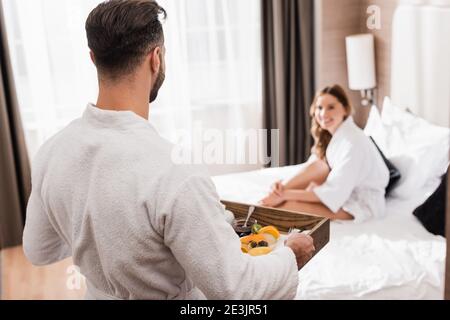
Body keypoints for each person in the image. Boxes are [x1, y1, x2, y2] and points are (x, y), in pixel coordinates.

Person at [23, 0, 314, 300]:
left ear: (93, 57)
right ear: (156, 57)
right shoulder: (174, 172)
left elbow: (38, 250)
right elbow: (236, 290)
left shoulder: (51, 152)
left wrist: (95, 232)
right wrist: (290, 255)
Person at [260, 85, 389, 223]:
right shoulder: (334, 136)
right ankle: (273, 195)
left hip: (361, 203)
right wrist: (282, 186)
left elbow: (335, 192)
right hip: (342, 191)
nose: (323, 114)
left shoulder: (353, 143)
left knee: (286, 206)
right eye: (319, 108)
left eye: (331, 107)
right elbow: (311, 169)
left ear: (345, 109)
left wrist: (286, 195)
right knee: (319, 165)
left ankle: (265, 207)